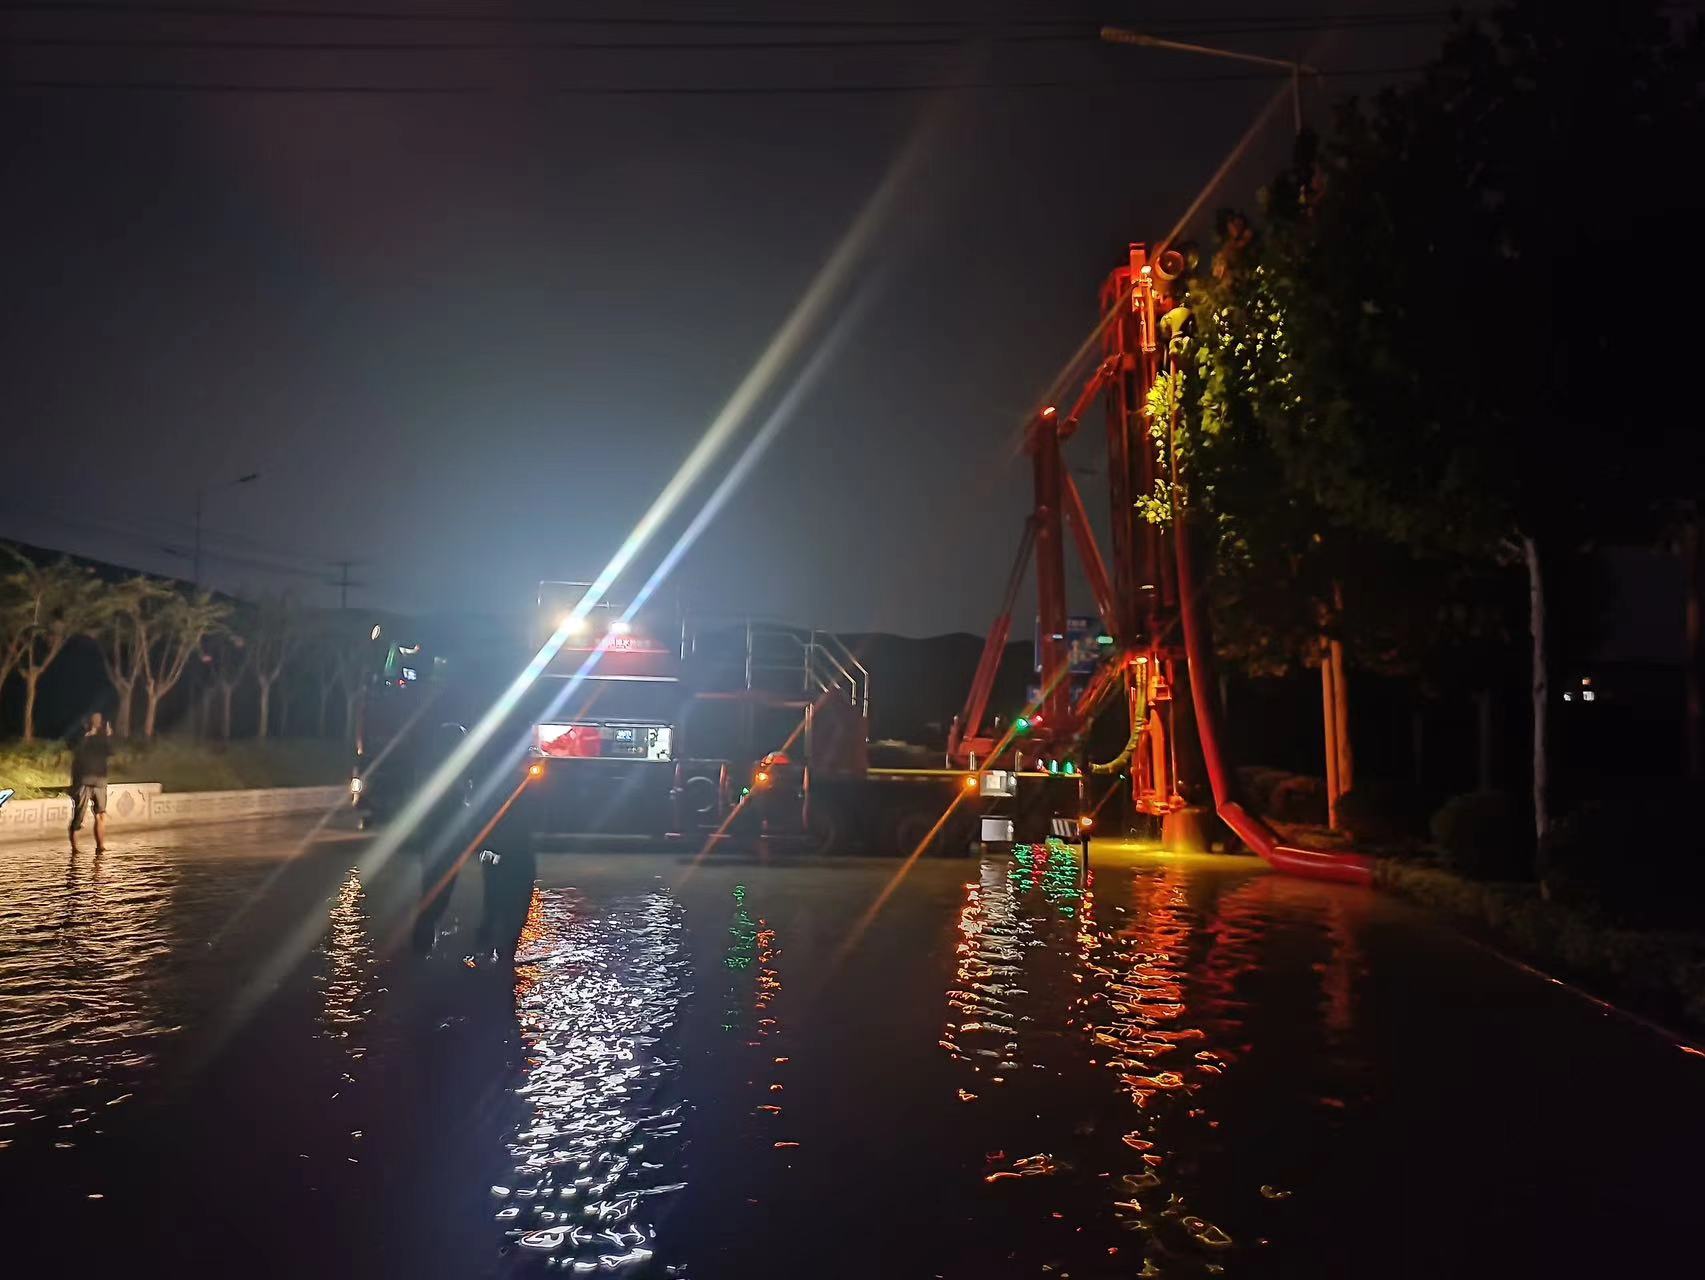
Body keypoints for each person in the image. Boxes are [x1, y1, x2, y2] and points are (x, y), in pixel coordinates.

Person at [68, 712, 114, 853]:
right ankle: (75, 848)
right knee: (78, 817)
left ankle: (100, 846)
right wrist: (87, 735)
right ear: (87, 722)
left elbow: (110, 752)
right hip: (84, 781)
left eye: (99, 720)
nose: (97, 722)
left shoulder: (103, 739)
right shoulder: (80, 738)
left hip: (100, 781)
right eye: (94, 720)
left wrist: (108, 736)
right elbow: (76, 754)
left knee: (101, 814)